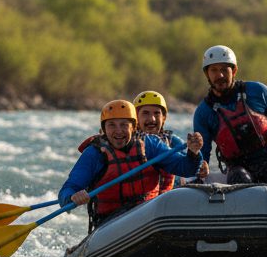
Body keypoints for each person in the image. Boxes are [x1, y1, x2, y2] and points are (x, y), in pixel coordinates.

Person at [59, 99, 204, 231]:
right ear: (104, 129)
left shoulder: (150, 144)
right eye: (111, 125)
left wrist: (193, 153)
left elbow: (185, 168)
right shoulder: (94, 154)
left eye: (124, 125)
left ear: (134, 127)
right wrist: (72, 197)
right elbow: (67, 190)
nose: (118, 131)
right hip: (109, 222)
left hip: (149, 215)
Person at [193, 44, 267, 195]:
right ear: (207, 74)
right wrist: (201, 166)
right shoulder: (203, 112)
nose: (219, 75)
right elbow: (202, 153)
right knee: (240, 181)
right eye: (214, 70)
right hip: (239, 168)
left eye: (224, 70)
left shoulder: (257, 91)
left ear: (234, 70)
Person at [133, 89, 208, 190]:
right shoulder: (129, 142)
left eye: (157, 113)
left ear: (163, 117)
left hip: (171, 195)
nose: (152, 119)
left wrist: (198, 162)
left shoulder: (174, 142)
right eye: (145, 113)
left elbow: (187, 165)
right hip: (143, 199)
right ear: (136, 117)